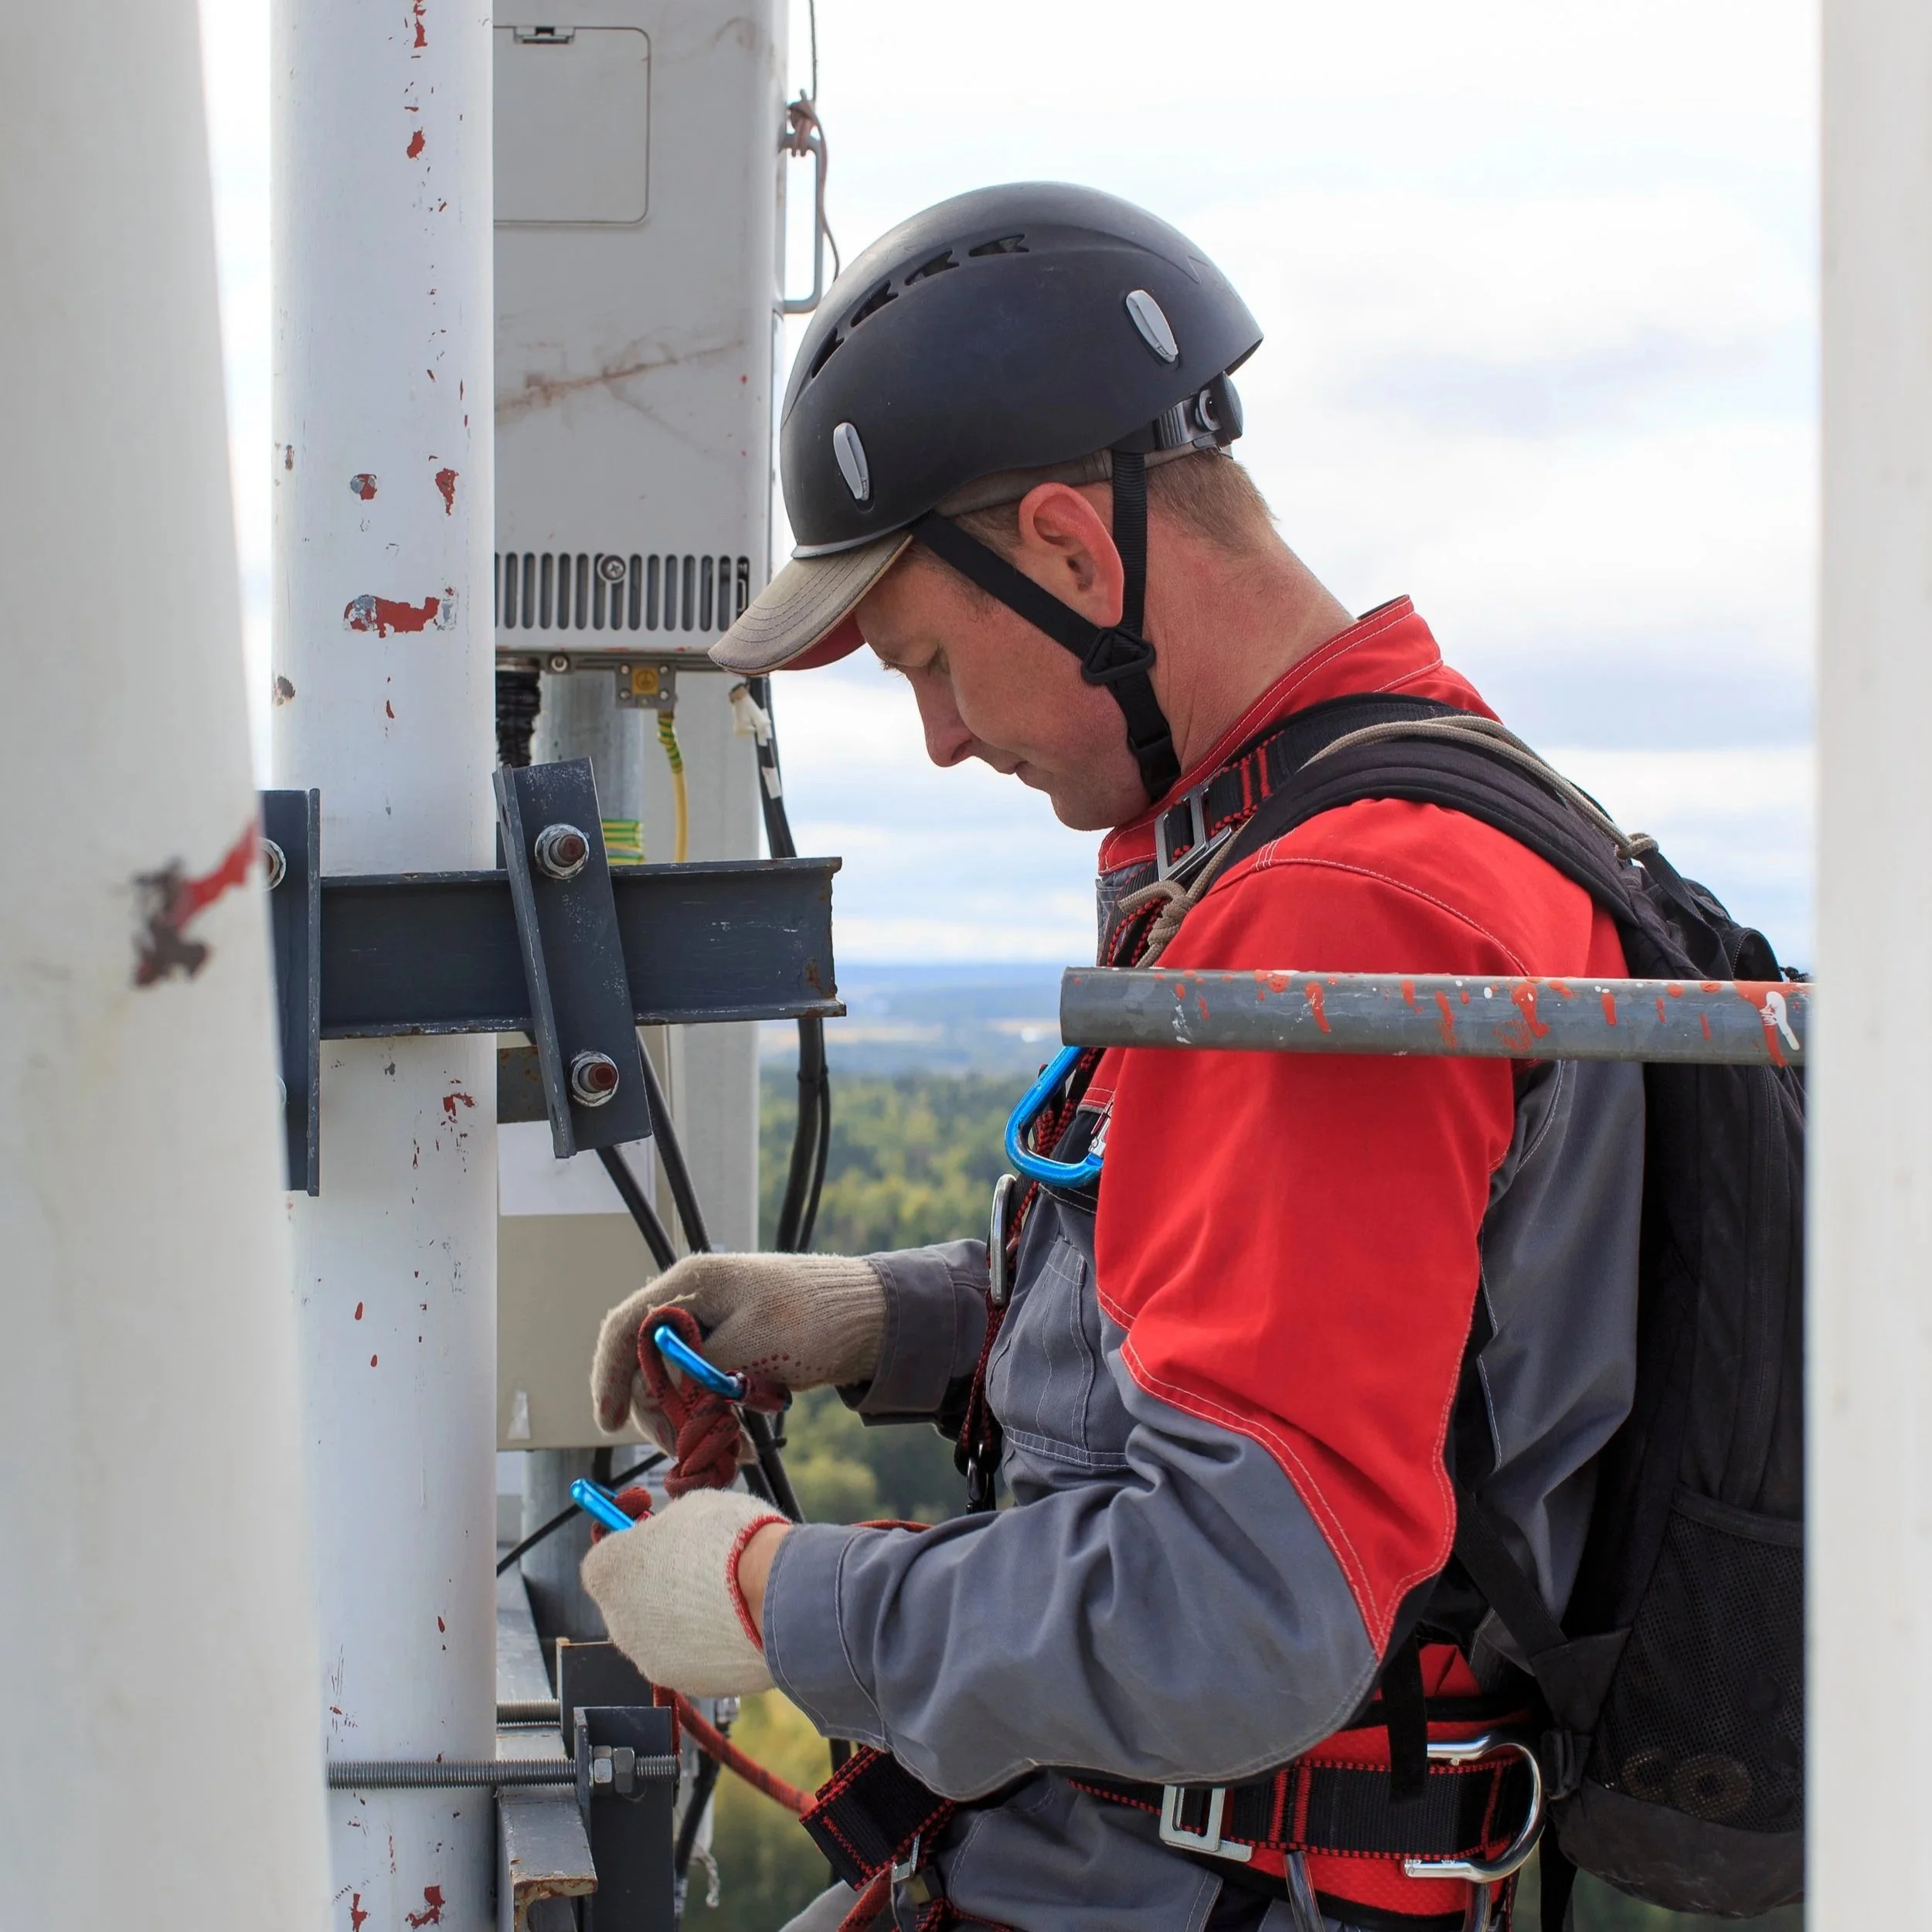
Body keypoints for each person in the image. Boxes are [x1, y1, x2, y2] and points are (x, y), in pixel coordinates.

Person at [580, 182, 1643, 1932]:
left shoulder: (1336, 912)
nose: (933, 738)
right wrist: (893, 1312)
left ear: (1074, 553)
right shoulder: (1385, 818)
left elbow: (1235, 1605)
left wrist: (777, 1594)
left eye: (927, 657)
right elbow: (1317, 1337)